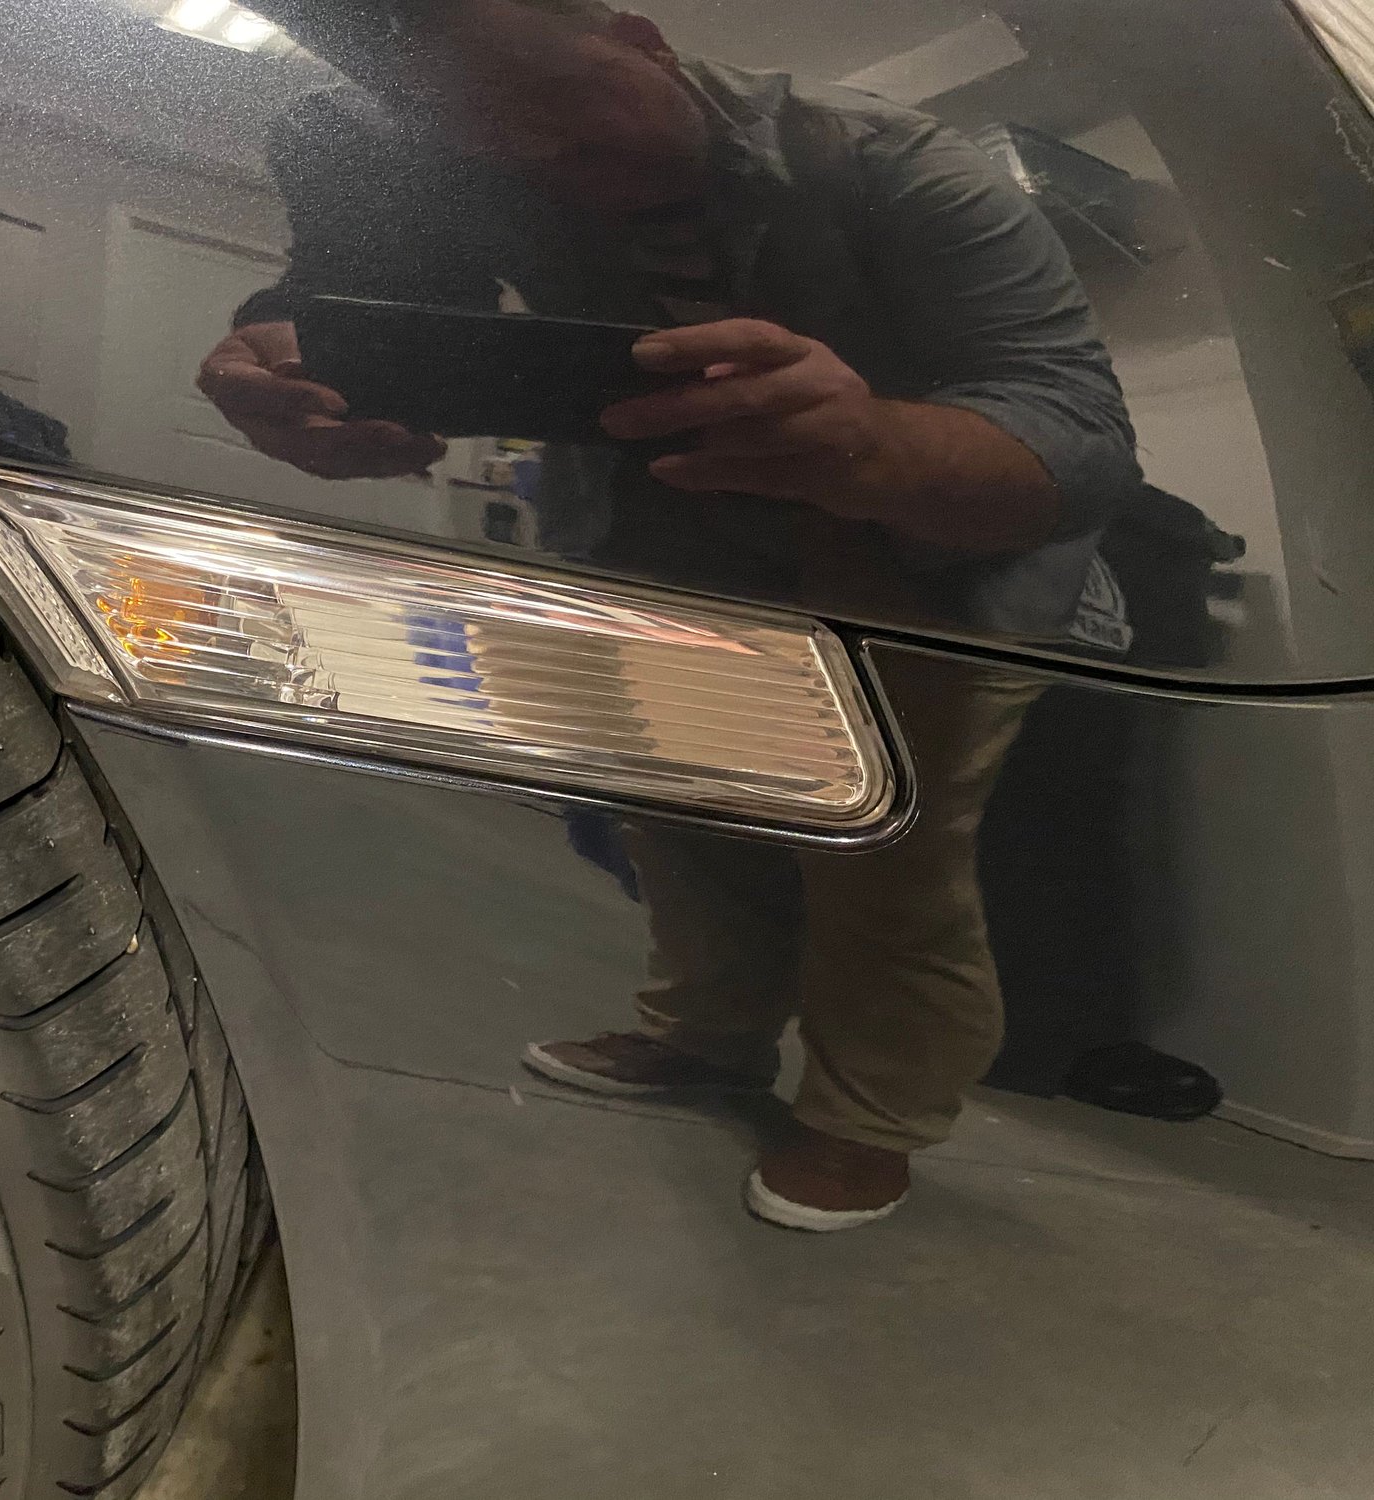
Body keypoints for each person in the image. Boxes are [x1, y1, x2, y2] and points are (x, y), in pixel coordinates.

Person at [196, 0, 1141, 1230]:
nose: (535, 159)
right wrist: (287, 353)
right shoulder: (393, 146)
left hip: (915, 554)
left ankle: (866, 1122)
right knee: (675, 812)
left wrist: (864, 441)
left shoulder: (902, 164)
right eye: (472, 136)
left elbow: (1081, 441)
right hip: (668, 538)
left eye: (561, 108)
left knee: (881, 856)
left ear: (640, 38)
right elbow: (370, 293)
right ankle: (706, 1037)